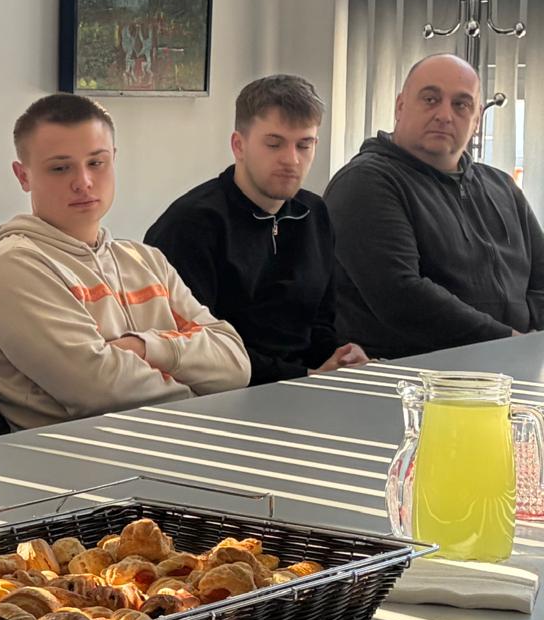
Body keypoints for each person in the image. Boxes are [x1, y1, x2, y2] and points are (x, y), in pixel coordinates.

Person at [0, 93, 250, 429]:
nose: (83, 182)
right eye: (60, 168)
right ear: (23, 176)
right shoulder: (14, 267)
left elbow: (236, 364)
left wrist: (144, 348)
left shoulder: (145, 259)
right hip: (81, 453)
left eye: (96, 163)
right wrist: (200, 392)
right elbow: (102, 392)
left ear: (113, 159)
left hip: (175, 438)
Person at [145, 74, 366, 384]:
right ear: (239, 145)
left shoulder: (314, 213)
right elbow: (196, 348)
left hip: (306, 383)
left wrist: (340, 358)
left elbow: (320, 322)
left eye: (304, 145)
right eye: (274, 144)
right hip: (224, 391)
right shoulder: (190, 225)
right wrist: (305, 376)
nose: (292, 160)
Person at [325, 53, 544, 358]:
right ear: (400, 106)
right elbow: (401, 295)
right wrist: (508, 342)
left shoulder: (503, 187)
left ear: (477, 120)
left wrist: (530, 341)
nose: (444, 115)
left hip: (508, 370)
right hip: (407, 376)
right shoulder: (364, 182)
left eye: (461, 104)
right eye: (430, 99)